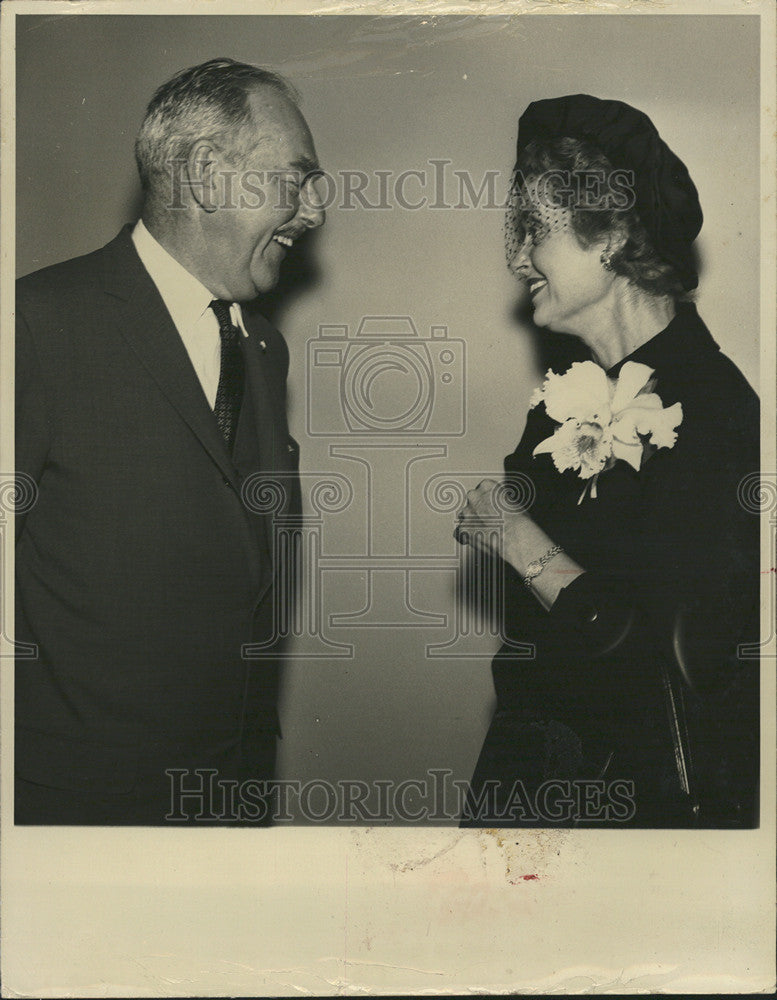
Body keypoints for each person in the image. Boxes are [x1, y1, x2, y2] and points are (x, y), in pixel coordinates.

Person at [15, 58, 325, 824]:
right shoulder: (35, 323)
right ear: (207, 175)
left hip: (229, 804)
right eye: (296, 178)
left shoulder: (262, 347)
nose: (313, 210)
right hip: (74, 813)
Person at [456, 95, 760, 828]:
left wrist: (519, 541)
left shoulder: (718, 411)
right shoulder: (555, 407)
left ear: (610, 233)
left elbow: (670, 663)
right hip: (531, 782)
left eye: (534, 229)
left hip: (636, 803)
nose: (516, 256)